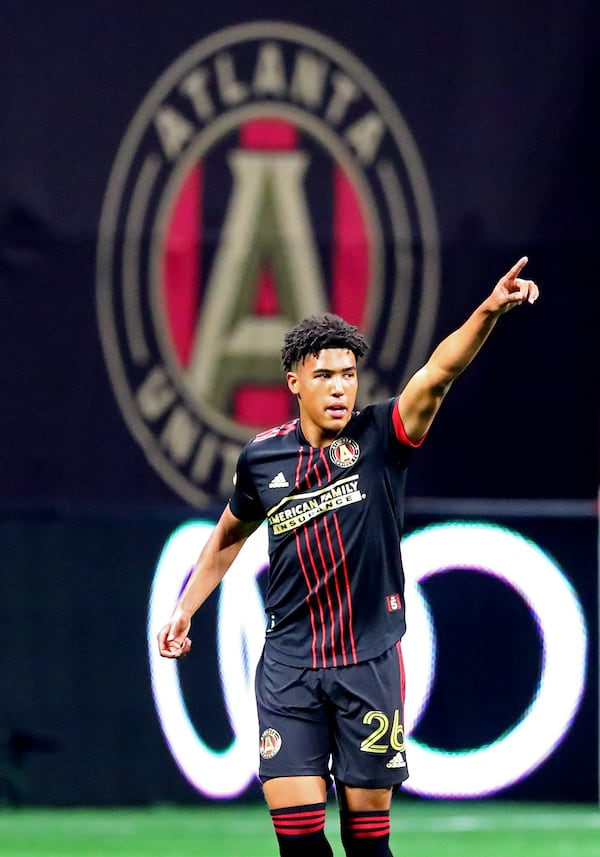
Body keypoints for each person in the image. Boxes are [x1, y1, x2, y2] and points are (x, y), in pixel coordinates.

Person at [157, 256, 539, 857]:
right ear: (294, 382)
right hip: (288, 666)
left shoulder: (383, 438)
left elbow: (439, 372)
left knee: (366, 845)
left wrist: (488, 311)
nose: (340, 387)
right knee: (301, 844)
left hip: (368, 660)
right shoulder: (262, 459)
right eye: (325, 375)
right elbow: (231, 533)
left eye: (349, 374)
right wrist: (185, 608)